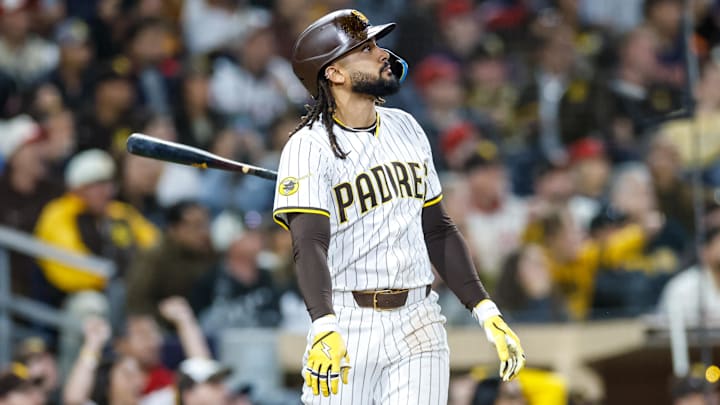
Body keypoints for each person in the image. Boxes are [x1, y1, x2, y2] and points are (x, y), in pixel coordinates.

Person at [272, 9, 525, 404]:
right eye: (366, 48)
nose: (382, 54)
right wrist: (323, 322)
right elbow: (309, 244)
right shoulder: (308, 147)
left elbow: (438, 229)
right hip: (347, 319)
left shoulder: (407, 127)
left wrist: (484, 307)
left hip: (418, 318)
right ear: (334, 73)